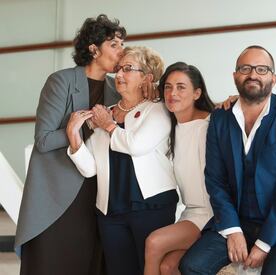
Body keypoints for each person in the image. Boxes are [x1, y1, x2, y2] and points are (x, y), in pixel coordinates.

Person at [179, 45, 276, 275]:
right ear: (235, 76)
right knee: (192, 266)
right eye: (245, 68)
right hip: (239, 219)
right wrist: (233, 230)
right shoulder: (220, 118)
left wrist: (264, 244)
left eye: (262, 69)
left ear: (274, 78)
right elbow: (215, 180)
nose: (253, 74)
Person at [15, 14, 125, 275]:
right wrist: (81, 127)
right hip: (57, 193)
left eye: (123, 44)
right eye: (114, 44)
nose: (122, 51)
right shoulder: (60, 81)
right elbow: (43, 140)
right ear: (93, 48)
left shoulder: (116, 89)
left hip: (97, 192)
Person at [67, 46, 178, 275]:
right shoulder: (104, 113)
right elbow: (89, 169)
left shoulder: (157, 110)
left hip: (151, 206)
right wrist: (73, 135)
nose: (118, 74)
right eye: (118, 69)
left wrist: (107, 125)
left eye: (127, 69)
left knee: (151, 269)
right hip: (110, 210)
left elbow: (136, 146)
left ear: (147, 77)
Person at [144, 62, 215, 275]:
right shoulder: (171, 126)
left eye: (181, 87)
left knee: (154, 242)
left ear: (197, 93)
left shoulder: (210, 123)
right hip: (189, 212)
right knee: (168, 267)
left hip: (211, 213)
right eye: (168, 87)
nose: (172, 93)